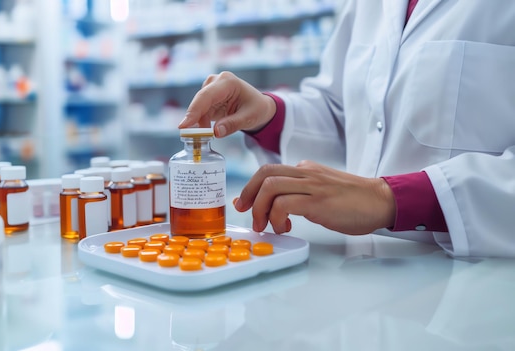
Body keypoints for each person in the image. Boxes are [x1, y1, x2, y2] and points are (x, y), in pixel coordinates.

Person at [178, 0, 515, 258]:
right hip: (361, 276)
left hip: (474, 288)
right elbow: (348, 112)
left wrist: (390, 199)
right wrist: (269, 113)